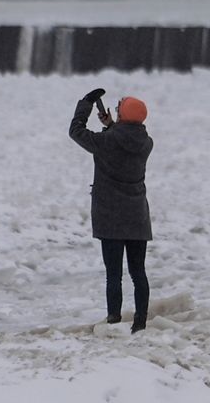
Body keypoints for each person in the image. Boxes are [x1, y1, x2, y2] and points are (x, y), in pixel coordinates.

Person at [69, 88, 153, 333]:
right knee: (138, 273)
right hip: (137, 217)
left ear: (123, 115)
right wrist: (112, 125)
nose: (115, 111)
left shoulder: (106, 142)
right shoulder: (146, 143)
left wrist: (86, 104)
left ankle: (114, 321)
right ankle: (140, 323)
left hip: (111, 217)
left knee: (113, 275)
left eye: (118, 109)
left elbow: (76, 131)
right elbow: (126, 139)